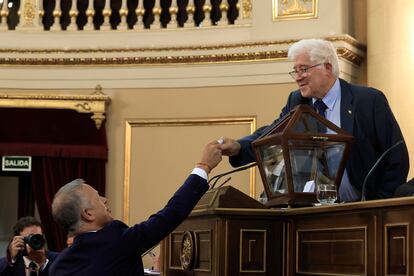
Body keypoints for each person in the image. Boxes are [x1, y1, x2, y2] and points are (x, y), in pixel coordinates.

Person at [218, 38, 409, 201]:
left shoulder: (368, 101)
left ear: (327, 67)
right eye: (295, 71)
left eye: (303, 69)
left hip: (366, 208)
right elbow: (273, 133)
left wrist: (383, 204)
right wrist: (239, 147)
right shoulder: (298, 101)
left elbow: (396, 156)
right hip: (316, 211)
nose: (298, 77)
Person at [49, 141, 222, 275]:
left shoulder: (58, 266)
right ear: (88, 214)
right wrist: (204, 167)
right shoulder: (116, 242)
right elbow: (170, 215)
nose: (105, 199)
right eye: (98, 197)